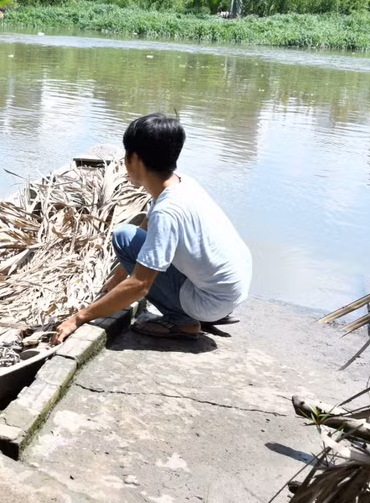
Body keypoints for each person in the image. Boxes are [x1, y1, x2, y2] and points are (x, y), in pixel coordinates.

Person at [52, 113, 252, 344]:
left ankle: (184, 321)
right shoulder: (181, 183)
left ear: (135, 159)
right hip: (230, 288)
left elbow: (140, 286)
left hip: (211, 302)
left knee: (132, 257)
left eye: (126, 156)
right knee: (125, 237)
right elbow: (145, 231)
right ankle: (189, 309)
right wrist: (116, 279)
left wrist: (79, 318)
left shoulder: (167, 211)